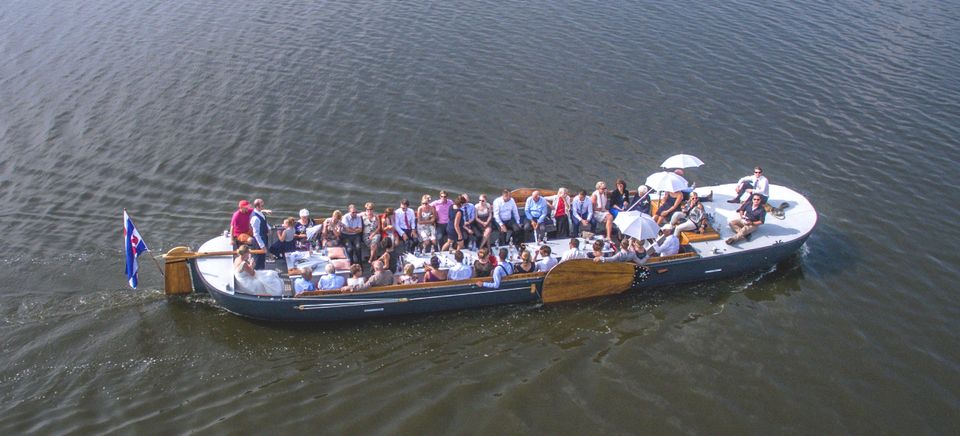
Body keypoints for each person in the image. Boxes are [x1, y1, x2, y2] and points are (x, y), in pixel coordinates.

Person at [249, 198, 270, 269]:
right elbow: (256, 234)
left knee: (262, 258)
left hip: (263, 237)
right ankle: (258, 270)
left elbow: (263, 220)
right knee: (258, 259)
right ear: (257, 207)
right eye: (262, 206)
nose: (263, 207)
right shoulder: (255, 219)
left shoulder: (259, 212)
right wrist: (262, 246)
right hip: (259, 242)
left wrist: (268, 228)